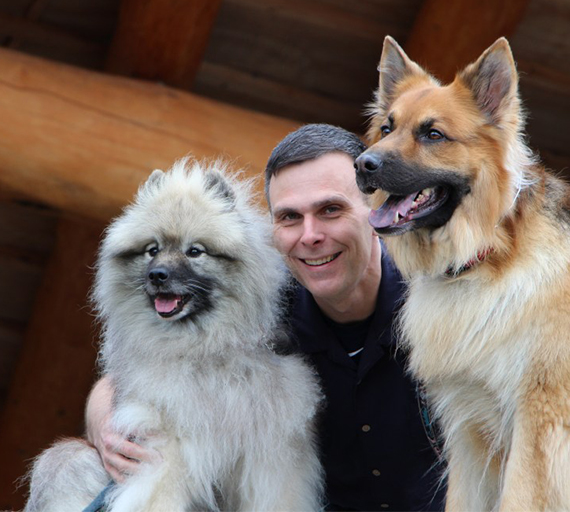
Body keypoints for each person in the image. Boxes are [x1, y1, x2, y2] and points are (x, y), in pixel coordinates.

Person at [86, 124, 446, 511]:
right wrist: (107, 423)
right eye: (290, 217)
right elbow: (147, 373)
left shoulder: (437, 300)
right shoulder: (260, 311)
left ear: (376, 208)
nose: (310, 235)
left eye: (330, 210)